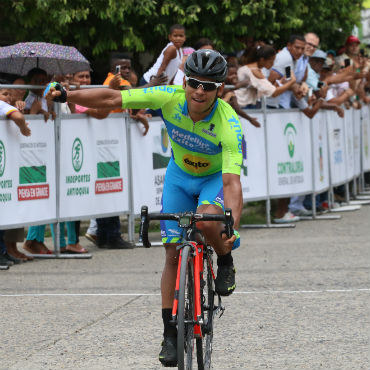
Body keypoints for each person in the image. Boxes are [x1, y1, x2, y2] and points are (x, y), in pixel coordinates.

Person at [44, 49, 242, 367]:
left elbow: (232, 184)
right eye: (194, 83)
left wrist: (231, 224)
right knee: (173, 253)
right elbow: (113, 99)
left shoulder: (228, 124)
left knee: (207, 222)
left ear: (220, 89)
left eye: (209, 86)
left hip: (212, 180)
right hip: (179, 177)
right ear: (185, 82)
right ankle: (169, 334)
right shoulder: (168, 96)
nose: (200, 91)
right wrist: (68, 93)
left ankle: (226, 260)